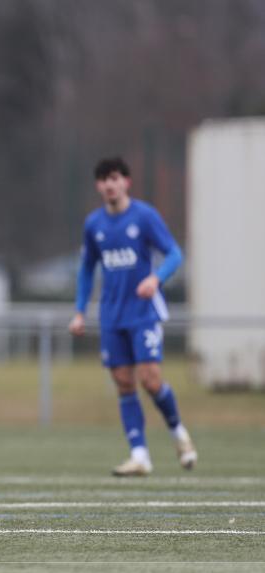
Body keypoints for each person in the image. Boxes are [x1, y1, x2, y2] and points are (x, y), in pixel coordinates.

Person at [68, 157, 196, 476]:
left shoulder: (144, 216)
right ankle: (140, 456)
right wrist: (80, 311)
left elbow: (174, 253)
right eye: (103, 179)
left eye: (114, 178)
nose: (109, 184)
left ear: (126, 182)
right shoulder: (94, 224)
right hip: (112, 315)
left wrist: (156, 279)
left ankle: (179, 435)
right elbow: (87, 269)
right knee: (124, 383)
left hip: (143, 314)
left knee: (150, 380)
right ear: (98, 186)